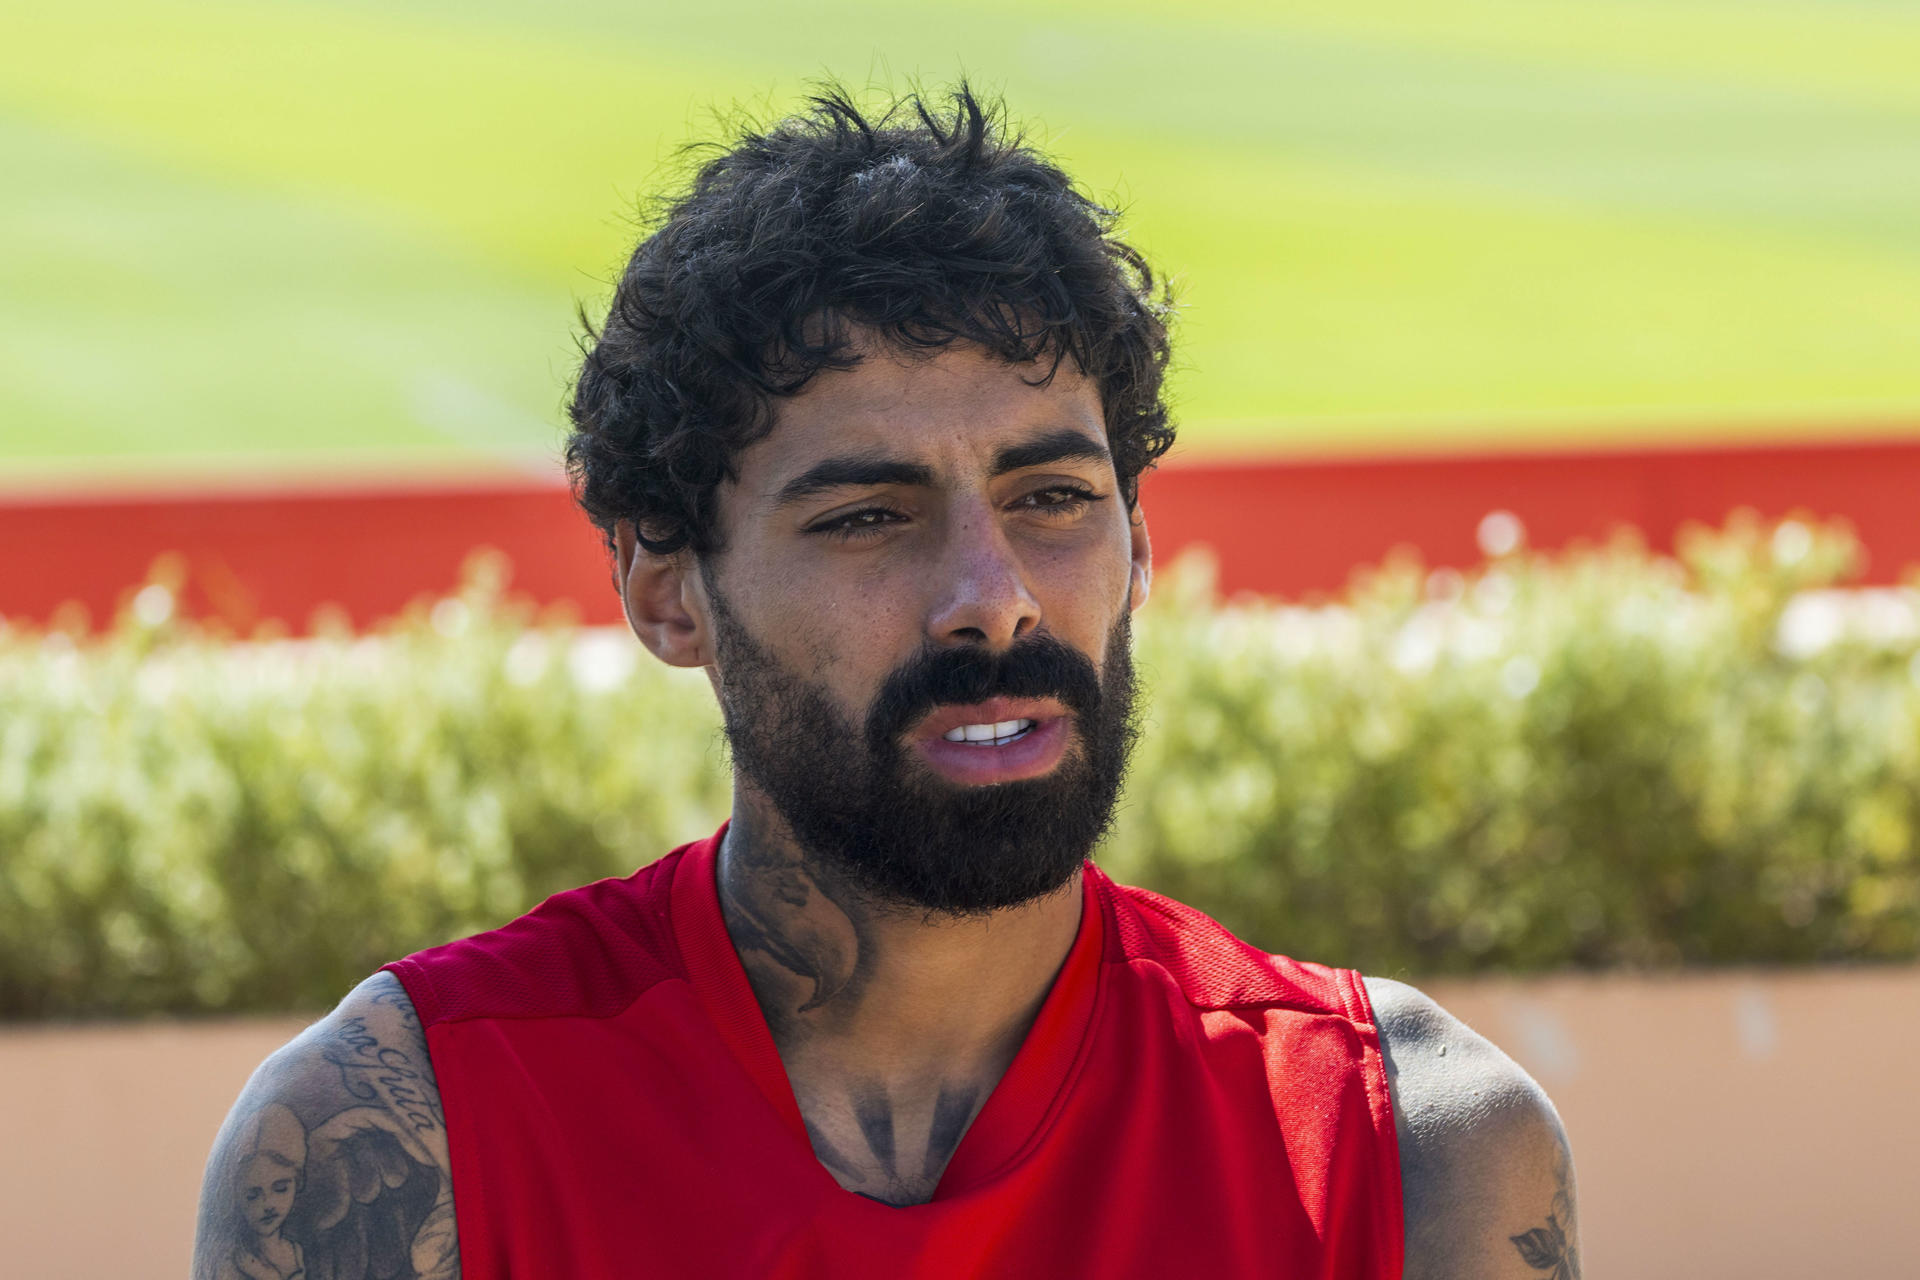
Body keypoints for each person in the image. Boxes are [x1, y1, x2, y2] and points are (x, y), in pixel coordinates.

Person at [196, 84, 1580, 1279]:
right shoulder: (399, 1144)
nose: (993, 595)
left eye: (1052, 497)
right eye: (867, 517)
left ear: (1142, 543)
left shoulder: (1408, 1149)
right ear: (665, 591)